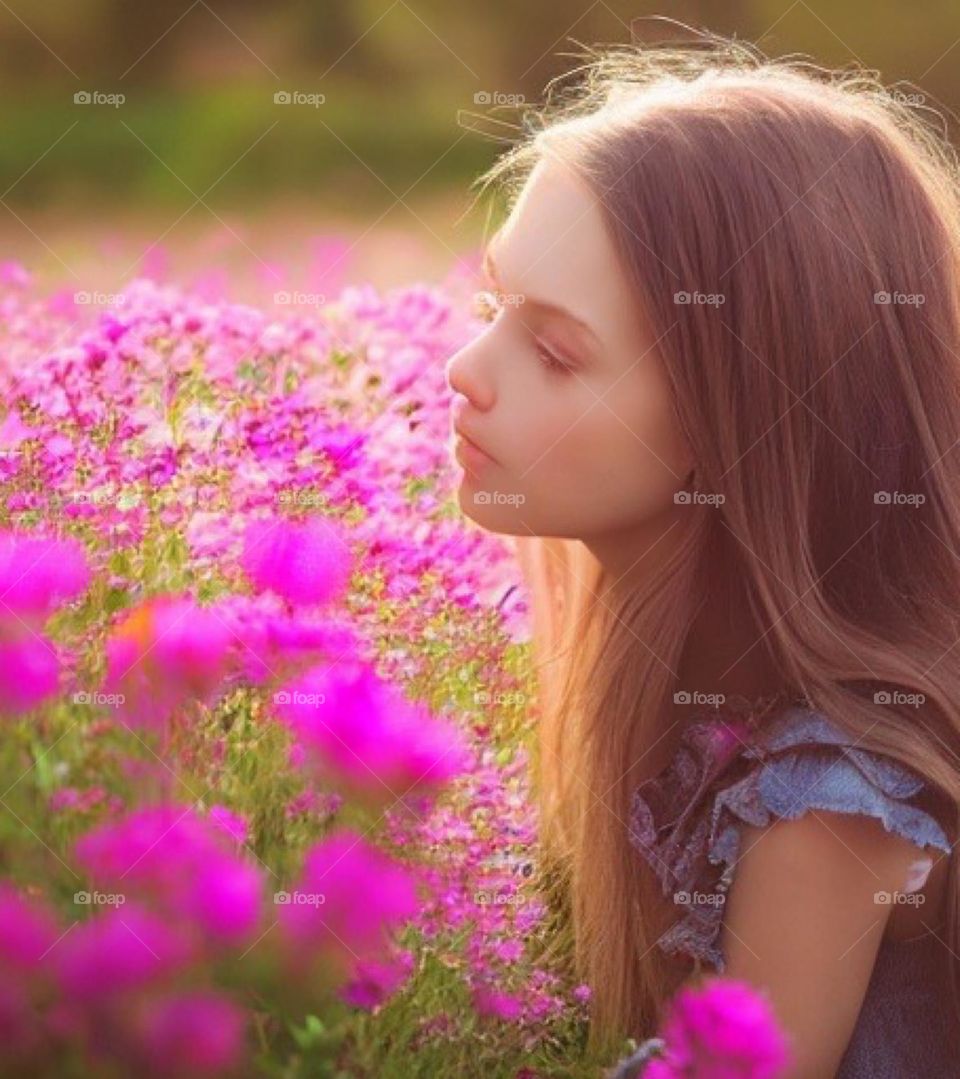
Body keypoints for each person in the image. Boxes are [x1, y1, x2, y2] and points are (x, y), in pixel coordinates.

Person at [444, 30, 960, 1079]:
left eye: (551, 350)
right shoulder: (671, 690)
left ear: (736, 423)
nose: (464, 367)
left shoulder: (826, 805)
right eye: (492, 307)